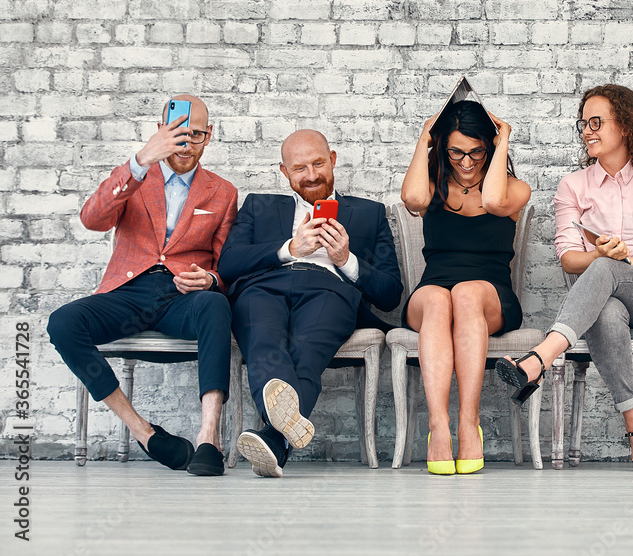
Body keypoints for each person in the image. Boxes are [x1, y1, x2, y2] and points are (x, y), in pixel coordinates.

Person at [496, 84, 633, 472]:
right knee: (605, 309)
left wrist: (626, 261)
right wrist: (602, 255)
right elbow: (569, 260)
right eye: (583, 123)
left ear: (626, 126)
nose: (587, 130)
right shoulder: (574, 186)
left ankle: (540, 358)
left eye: (597, 122)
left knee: (605, 268)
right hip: (602, 302)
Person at [47, 95, 238, 476]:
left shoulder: (223, 192)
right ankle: (145, 433)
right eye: (178, 134)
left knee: (216, 305)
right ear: (160, 132)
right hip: (127, 292)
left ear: (209, 136)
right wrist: (139, 161)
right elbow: (92, 219)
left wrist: (211, 279)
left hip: (181, 297)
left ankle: (208, 438)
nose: (186, 144)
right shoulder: (136, 177)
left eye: (196, 134)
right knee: (63, 323)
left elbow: (228, 265)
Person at [218, 130, 402, 478]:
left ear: (332, 159)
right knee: (263, 341)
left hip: (330, 290)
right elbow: (228, 264)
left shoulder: (369, 213)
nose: (312, 174)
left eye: (318, 163)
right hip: (262, 287)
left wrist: (346, 260)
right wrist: (290, 248)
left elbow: (391, 293)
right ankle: (277, 439)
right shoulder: (258, 205)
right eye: (300, 168)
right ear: (284, 172)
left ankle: (273, 436)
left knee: (308, 350)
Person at [400, 99, 531, 475]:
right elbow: (412, 199)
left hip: (489, 296)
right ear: (443, 148)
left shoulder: (515, 191)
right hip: (433, 291)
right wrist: (424, 139)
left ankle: (467, 422)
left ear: (488, 149)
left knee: (467, 292)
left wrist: (503, 137)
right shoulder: (431, 188)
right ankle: (438, 425)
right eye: (456, 151)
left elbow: (493, 200)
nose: (467, 161)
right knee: (443, 298)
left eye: (477, 151)